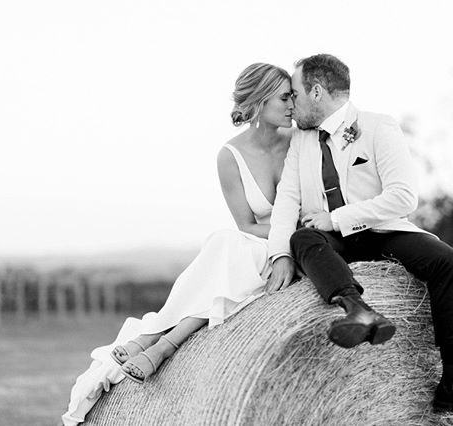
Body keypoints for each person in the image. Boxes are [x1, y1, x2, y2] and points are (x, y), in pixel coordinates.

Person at [266, 54, 453, 418]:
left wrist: (335, 218)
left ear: (316, 92)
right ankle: (357, 310)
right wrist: (279, 254)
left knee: (445, 258)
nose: (291, 104)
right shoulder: (301, 141)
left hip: (382, 233)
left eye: (294, 94)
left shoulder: (377, 127)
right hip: (334, 245)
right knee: (301, 240)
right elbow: (287, 199)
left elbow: (403, 197)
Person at [62, 62, 294, 425]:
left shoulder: (299, 142)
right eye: (284, 97)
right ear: (261, 100)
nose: (292, 104)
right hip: (252, 241)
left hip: (290, 245)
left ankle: (154, 339)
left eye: (292, 96)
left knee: (226, 248)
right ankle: (160, 342)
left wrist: (288, 236)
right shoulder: (229, 156)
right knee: (226, 244)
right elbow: (247, 224)